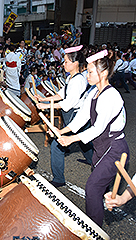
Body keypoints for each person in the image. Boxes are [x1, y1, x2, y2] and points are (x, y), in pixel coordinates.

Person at [57, 49, 129, 227]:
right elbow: (81, 118)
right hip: (102, 148)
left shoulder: (111, 96)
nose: (86, 75)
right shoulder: (93, 93)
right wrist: (63, 131)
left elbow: (97, 129)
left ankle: (94, 231)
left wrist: (71, 139)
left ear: (103, 73)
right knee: (99, 188)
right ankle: (97, 219)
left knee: (93, 187)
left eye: (90, 72)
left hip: (115, 149)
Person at [36, 45, 93, 187]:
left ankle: (59, 179)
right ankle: (92, 159)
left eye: (66, 61)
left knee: (57, 145)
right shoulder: (71, 78)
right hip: (72, 115)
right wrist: (44, 99)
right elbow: (61, 94)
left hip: (76, 115)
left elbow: (67, 103)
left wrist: (45, 107)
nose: (64, 64)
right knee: (83, 140)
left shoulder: (79, 80)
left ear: (75, 63)